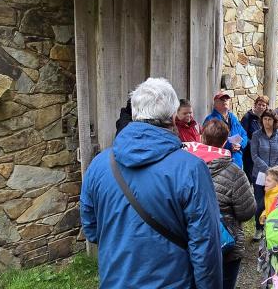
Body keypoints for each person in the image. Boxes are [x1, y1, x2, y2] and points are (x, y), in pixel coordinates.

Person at [80, 78, 222, 288]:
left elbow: (91, 229)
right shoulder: (191, 168)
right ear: (173, 116)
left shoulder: (99, 164)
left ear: (135, 113)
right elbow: (206, 244)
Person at [201, 119, 256, 289]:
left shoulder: (188, 167)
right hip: (227, 243)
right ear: (225, 141)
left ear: (202, 139)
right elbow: (247, 211)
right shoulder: (235, 173)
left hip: (198, 241)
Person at [250, 109, 278, 240]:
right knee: (260, 202)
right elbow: (254, 155)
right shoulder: (256, 135)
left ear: (274, 121)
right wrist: (267, 170)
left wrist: (275, 171)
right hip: (260, 175)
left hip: (277, 176)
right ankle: (259, 228)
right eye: (265, 119)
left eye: (270, 119)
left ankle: (274, 227)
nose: (267, 122)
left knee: (276, 201)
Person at [203, 91, 248, 169]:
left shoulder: (233, 118)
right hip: (219, 164)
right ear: (215, 103)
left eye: (226, 99)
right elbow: (208, 142)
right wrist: (230, 145)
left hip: (237, 162)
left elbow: (244, 134)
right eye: (221, 99)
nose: (225, 101)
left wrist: (240, 145)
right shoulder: (210, 119)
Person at [241, 95, 269, 181]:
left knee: (261, 179)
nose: (261, 107)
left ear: (266, 107)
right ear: (255, 105)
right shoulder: (247, 117)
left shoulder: (267, 118)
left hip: (263, 154)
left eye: (263, 105)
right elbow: (243, 135)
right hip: (250, 154)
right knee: (250, 177)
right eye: (259, 104)